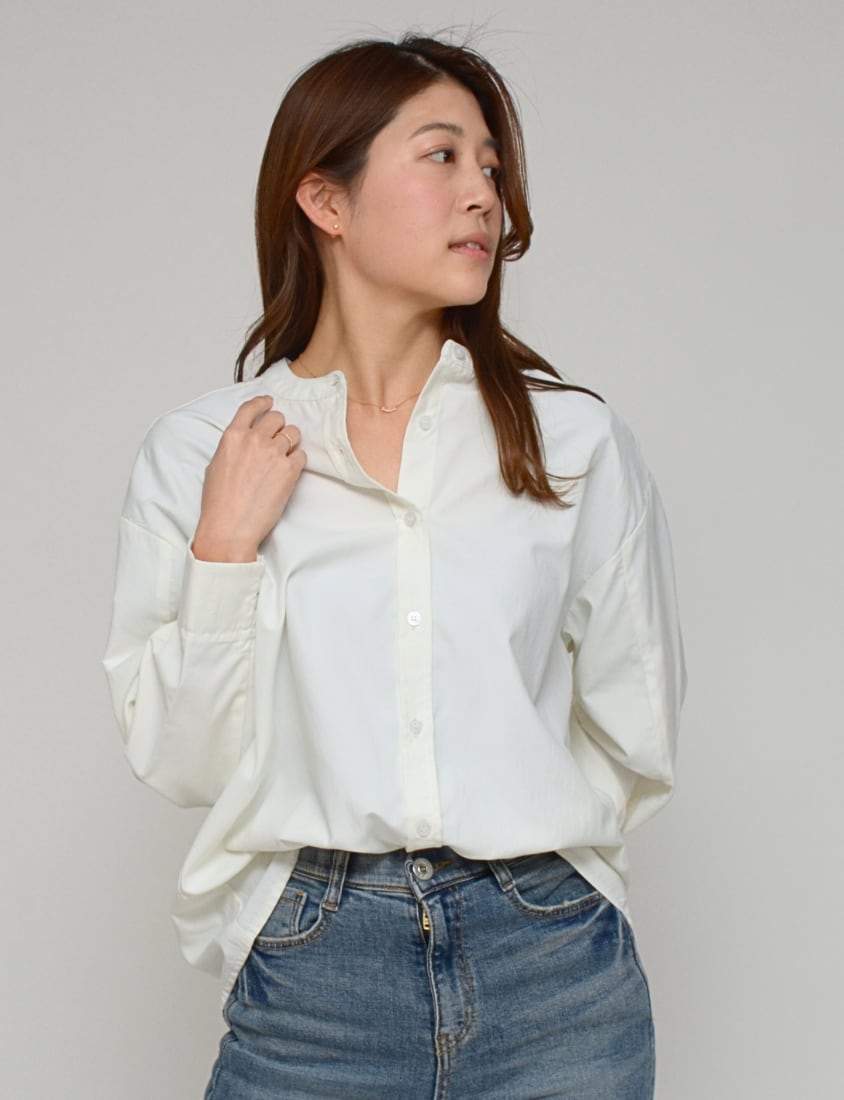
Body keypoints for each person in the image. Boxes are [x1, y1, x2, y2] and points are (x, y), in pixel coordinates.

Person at [103, 31, 686, 1100]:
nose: (483, 196)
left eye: (492, 168)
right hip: (314, 982)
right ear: (325, 200)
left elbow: (634, 723)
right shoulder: (200, 452)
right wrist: (224, 546)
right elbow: (182, 760)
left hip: (555, 974)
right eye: (442, 155)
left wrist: (544, 855)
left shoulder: (572, 442)